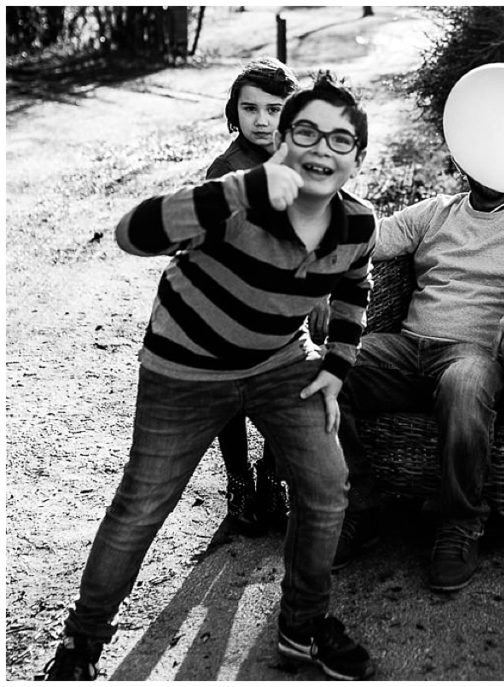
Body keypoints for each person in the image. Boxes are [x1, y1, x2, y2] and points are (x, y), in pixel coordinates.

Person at [43, 73, 377, 681]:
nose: (322, 149)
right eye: (307, 132)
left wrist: (337, 364)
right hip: (184, 371)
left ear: (357, 158)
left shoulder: (357, 224)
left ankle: (302, 629)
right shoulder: (232, 197)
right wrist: (237, 189)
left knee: (327, 489)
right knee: (143, 506)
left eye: (341, 139)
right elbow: (130, 234)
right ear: (282, 141)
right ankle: (81, 644)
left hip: (279, 365)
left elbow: (355, 285)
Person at [333, 173, 504, 593]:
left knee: (463, 384)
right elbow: (368, 240)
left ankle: (460, 524)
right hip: (407, 349)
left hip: (473, 356)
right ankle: (362, 506)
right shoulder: (434, 212)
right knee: (327, 368)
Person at [206, 56, 303, 535]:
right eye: (250, 109)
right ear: (235, 112)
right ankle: (239, 479)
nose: (262, 120)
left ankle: (272, 474)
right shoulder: (225, 171)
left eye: (274, 108)